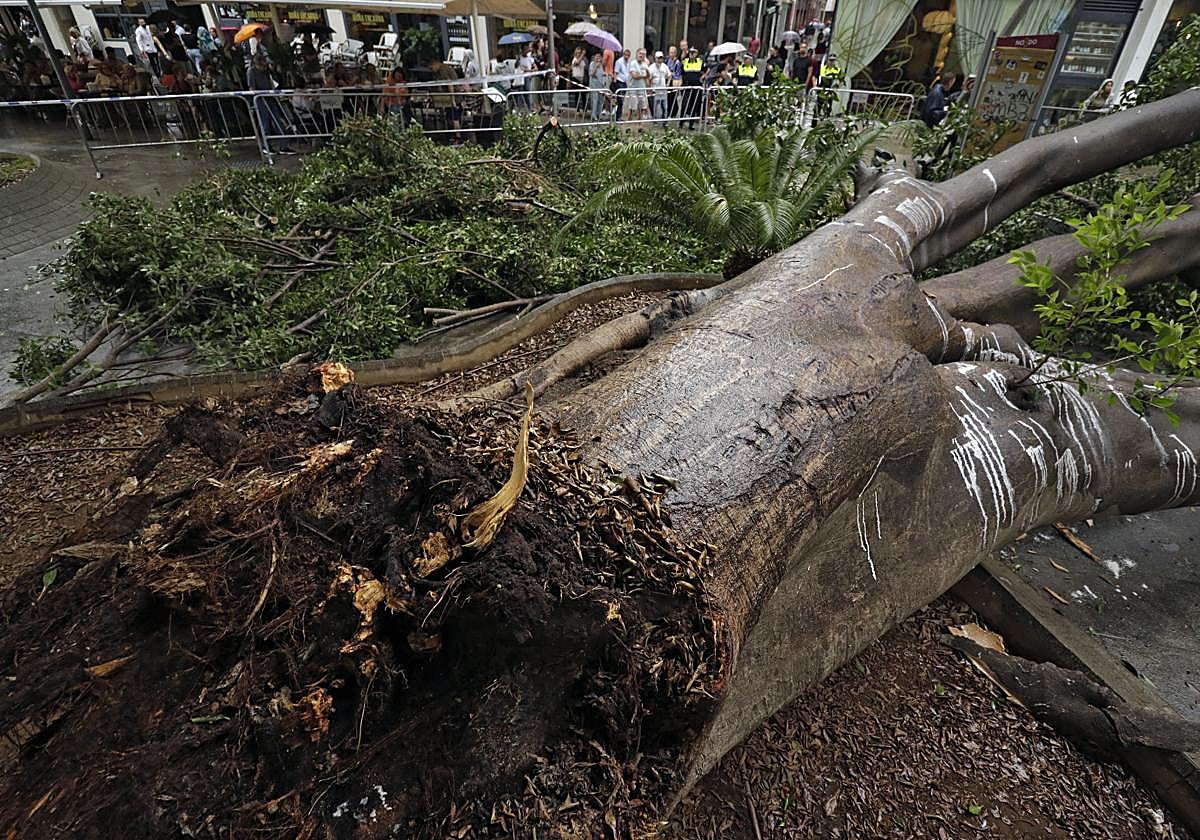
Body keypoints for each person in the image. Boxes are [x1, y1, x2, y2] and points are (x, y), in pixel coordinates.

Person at [248, 55, 293, 154]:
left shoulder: (267, 71)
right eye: (262, 66)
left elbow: (275, 82)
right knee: (265, 123)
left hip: (270, 98)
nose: (264, 68)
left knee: (278, 122)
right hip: (261, 99)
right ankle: (266, 146)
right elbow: (252, 88)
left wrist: (272, 70)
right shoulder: (251, 72)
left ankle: (284, 146)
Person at [815, 52, 843, 120]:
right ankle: (814, 122)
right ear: (827, 60)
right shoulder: (823, 68)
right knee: (817, 107)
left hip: (831, 91)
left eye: (833, 60)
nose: (831, 62)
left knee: (828, 108)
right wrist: (815, 86)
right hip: (822, 90)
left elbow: (841, 80)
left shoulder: (838, 70)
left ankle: (826, 121)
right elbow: (816, 77)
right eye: (830, 60)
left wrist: (837, 88)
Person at [680, 45, 703, 129]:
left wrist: (702, 78)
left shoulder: (700, 62)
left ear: (696, 54)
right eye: (690, 53)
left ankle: (691, 124)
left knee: (694, 105)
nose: (692, 54)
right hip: (687, 86)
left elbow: (705, 71)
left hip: (696, 86)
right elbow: (681, 73)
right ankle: (681, 123)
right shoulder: (685, 61)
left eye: (693, 53)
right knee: (685, 104)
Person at [624, 48, 649, 121]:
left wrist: (643, 74)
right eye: (640, 53)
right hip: (633, 88)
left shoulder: (645, 64)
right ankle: (629, 120)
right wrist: (643, 75)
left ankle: (640, 121)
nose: (641, 55)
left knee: (642, 105)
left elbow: (648, 75)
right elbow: (634, 76)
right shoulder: (633, 63)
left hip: (642, 87)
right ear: (637, 54)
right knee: (632, 106)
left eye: (643, 54)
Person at [648, 50, 672, 121]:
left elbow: (669, 75)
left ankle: (665, 121)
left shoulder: (664, 66)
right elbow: (649, 79)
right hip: (655, 91)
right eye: (658, 58)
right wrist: (649, 89)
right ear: (655, 58)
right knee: (654, 107)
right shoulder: (651, 67)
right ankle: (654, 120)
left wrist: (668, 83)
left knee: (664, 107)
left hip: (663, 90)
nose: (659, 60)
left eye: (661, 58)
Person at [587, 50, 608, 121]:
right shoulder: (592, 64)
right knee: (594, 100)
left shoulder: (601, 65)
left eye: (599, 56)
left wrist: (604, 75)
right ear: (594, 57)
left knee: (600, 100)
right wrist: (596, 67)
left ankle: (599, 114)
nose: (598, 58)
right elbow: (591, 74)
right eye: (597, 56)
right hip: (593, 85)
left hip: (600, 85)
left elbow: (601, 74)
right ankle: (593, 115)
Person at [613, 48, 630, 120]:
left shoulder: (628, 62)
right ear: (623, 54)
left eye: (628, 55)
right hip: (619, 82)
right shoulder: (619, 61)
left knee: (622, 100)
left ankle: (619, 116)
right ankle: (617, 117)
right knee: (620, 100)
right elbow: (615, 72)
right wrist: (615, 82)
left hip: (624, 82)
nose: (626, 56)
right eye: (625, 55)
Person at [665, 45, 682, 118]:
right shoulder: (667, 60)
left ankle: (673, 112)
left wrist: (671, 74)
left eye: (673, 53)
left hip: (674, 81)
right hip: (667, 80)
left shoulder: (677, 62)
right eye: (670, 52)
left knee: (673, 97)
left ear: (675, 53)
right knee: (668, 97)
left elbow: (678, 73)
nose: (671, 54)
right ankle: (669, 112)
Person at [570, 46, 587, 112]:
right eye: (578, 53)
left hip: (582, 79)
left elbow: (584, 69)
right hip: (576, 78)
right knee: (577, 95)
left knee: (583, 95)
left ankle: (584, 109)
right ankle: (577, 110)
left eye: (580, 53)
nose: (579, 54)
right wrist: (582, 54)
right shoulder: (574, 59)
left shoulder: (582, 61)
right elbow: (577, 63)